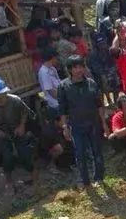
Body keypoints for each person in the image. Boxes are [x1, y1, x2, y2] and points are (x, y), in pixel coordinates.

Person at [57, 55, 109, 190]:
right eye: (75, 67)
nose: (79, 70)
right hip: (76, 126)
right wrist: (64, 127)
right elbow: (62, 109)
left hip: (93, 124)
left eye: (81, 66)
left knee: (97, 151)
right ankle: (86, 182)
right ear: (70, 70)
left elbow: (99, 105)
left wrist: (103, 123)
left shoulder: (91, 83)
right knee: (80, 154)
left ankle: (99, 178)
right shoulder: (63, 86)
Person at [0, 79, 35, 194]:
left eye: (4, 92)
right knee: (7, 158)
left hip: (17, 129)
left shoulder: (15, 100)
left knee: (25, 154)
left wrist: (21, 126)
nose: (4, 95)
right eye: (0, 93)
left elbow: (25, 112)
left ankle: (33, 178)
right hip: (2, 134)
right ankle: (9, 182)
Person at [37, 48, 61, 116]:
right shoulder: (44, 72)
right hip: (56, 104)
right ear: (53, 58)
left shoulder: (52, 69)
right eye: (56, 58)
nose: (57, 60)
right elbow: (51, 92)